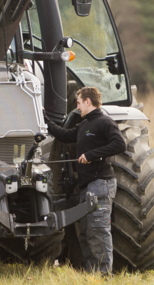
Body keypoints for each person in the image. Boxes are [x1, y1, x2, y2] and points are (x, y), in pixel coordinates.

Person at [46, 86, 126, 274]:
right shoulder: (84, 125)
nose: (77, 107)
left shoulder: (105, 122)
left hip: (100, 184)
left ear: (88, 101)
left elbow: (120, 144)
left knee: (98, 230)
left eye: (79, 102)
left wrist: (92, 154)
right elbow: (64, 135)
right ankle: (92, 274)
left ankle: (103, 275)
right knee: (86, 233)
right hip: (86, 186)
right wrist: (44, 119)